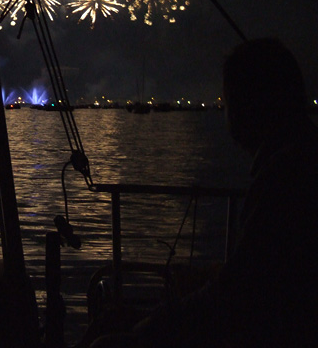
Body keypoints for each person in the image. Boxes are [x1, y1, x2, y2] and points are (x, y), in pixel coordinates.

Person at [90, 38, 318, 347]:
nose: (225, 112)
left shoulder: (283, 180)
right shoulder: (297, 160)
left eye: (228, 102)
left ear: (248, 106)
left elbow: (234, 298)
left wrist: (153, 324)